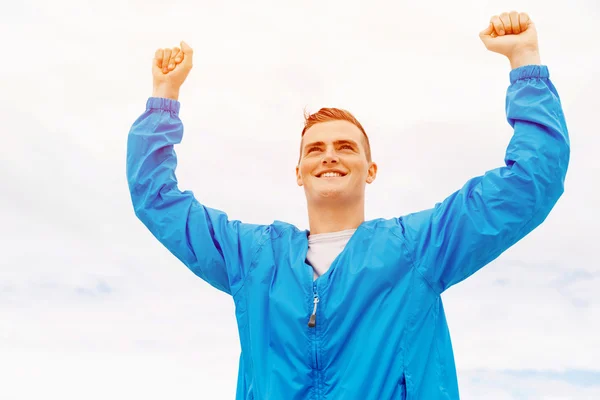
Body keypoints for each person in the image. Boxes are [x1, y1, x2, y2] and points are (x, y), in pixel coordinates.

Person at [126, 11, 570, 400]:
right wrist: (164, 95)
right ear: (298, 171)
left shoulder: (417, 249)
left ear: (370, 169)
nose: (330, 155)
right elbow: (156, 200)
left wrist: (524, 62)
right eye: (315, 149)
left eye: (345, 146)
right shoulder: (253, 259)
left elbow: (530, 183)